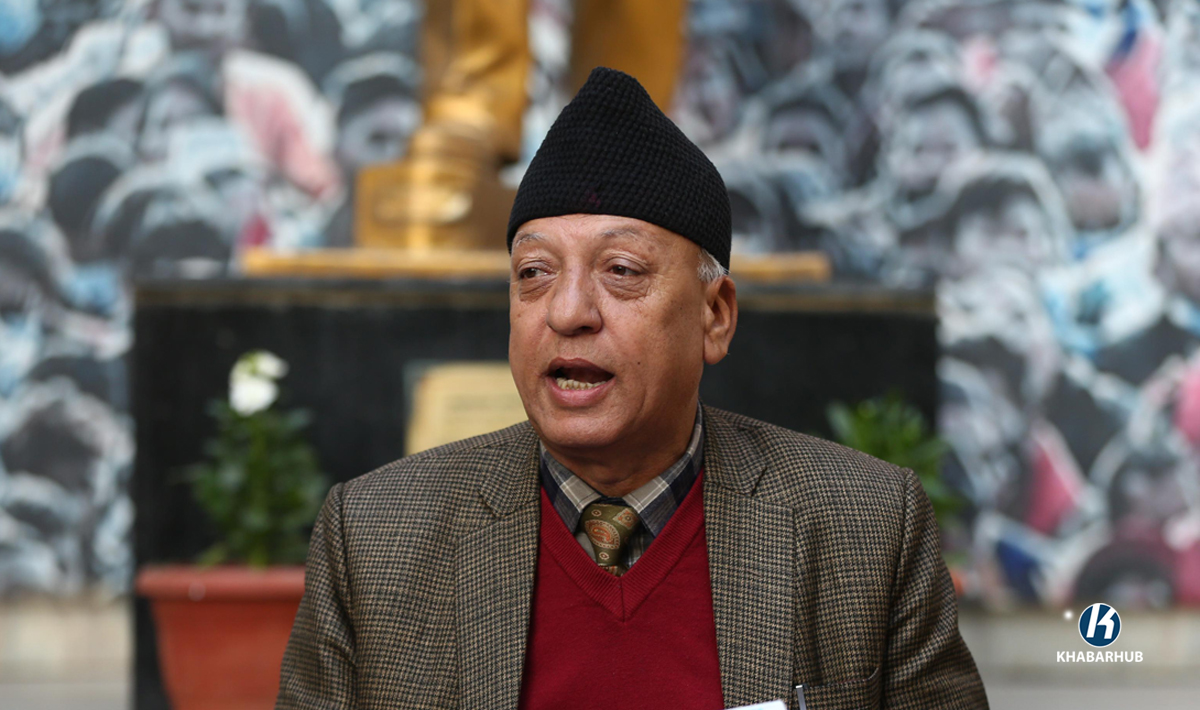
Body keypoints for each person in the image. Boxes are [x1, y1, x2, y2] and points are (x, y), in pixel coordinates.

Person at [277, 67, 987, 710]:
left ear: (715, 315)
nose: (568, 312)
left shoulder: (864, 530)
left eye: (620, 271)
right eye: (534, 274)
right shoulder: (377, 538)